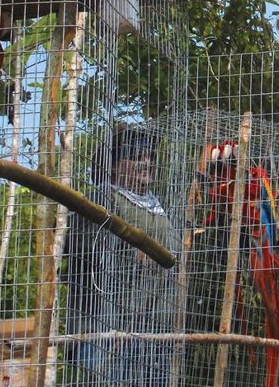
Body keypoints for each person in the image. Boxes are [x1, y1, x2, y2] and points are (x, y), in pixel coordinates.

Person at [65, 125, 182, 387]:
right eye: (137, 156)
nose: (146, 162)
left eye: (149, 156)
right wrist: (131, 254)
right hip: (105, 329)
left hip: (154, 330)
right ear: (114, 166)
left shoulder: (159, 207)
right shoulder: (103, 199)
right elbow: (79, 245)